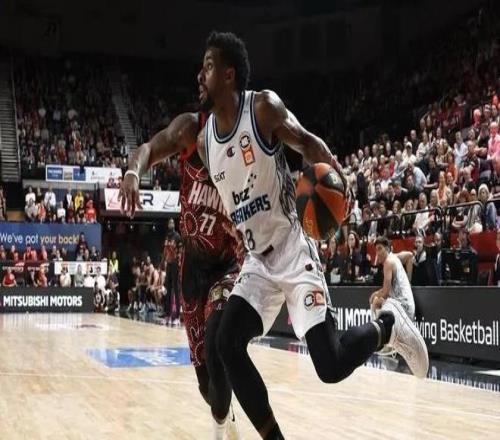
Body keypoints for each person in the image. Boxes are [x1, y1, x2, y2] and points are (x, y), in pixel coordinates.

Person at [156, 31, 426, 439]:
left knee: (330, 365)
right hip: (257, 261)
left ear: (229, 75)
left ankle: (388, 324)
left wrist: (339, 185)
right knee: (227, 344)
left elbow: (308, 144)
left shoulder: (263, 108)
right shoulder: (207, 143)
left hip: (292, 249)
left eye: (208, 66)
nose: (200, 75)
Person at [120, 91, 242, 439]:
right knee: (206, 383)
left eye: (209, 69)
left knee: (218, 348)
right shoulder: (190, 128)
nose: (201, 78)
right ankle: (226, 418)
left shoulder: (244, 145)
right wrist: (132, 172)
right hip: (192, 268)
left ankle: (219, 432)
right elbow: (147, 149)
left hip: (226, 266)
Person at [370, 237, 415, 320]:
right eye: (376, 250)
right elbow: (410, 255)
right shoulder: (394, 257)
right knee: (377, 299)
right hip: (406, 305)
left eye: (380, 249)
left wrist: (375, 295)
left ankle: (378, 327)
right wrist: (408, 281)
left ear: (387, 249)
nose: (377, 253)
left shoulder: (388, 262)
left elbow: (385, 293)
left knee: (376, 302)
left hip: (403, 307)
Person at [162, 218, 182, 324]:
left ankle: (177, 317)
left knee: (176, 290)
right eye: (169, 222)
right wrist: (162, 263)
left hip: (175, 265)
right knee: (168, 290)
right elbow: (165, 251)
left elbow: (181, 251)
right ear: (167, 225)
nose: (171, 224)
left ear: (174, 224)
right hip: (168, 265)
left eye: (172, 222)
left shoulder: (177, 236)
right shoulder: (167, 237)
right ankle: (168, 315)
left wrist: (178, 264)